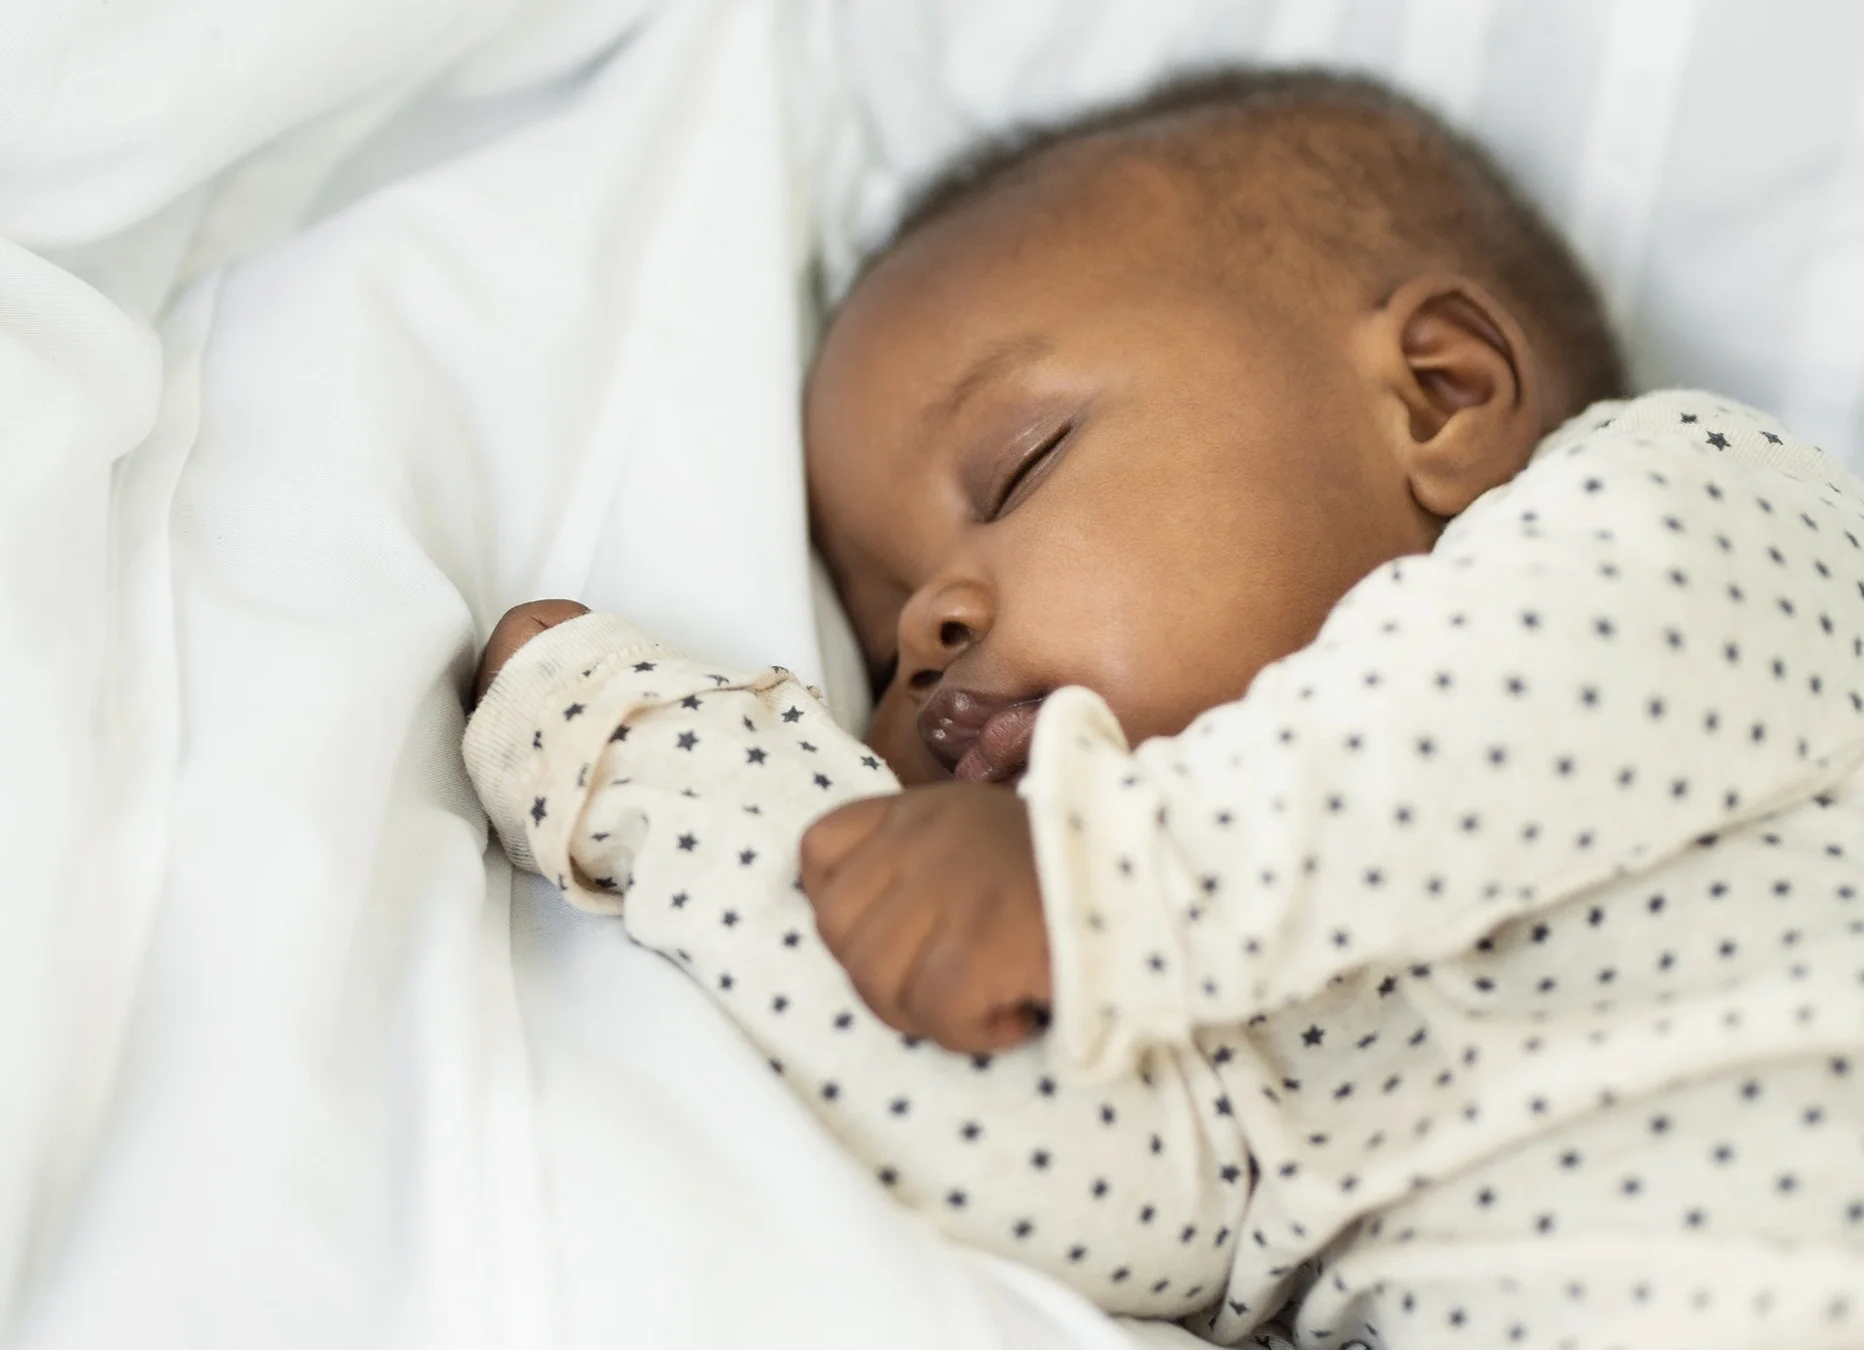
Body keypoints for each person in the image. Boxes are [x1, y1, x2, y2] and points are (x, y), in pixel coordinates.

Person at [463, 68, 1864, 1348]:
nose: (921, 634)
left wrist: (1112, 872)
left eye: (1017, 468)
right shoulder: (1205, 999)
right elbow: (1039, 1148)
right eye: (882, 645)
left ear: (1438, 396)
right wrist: (647, 757)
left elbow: (1533, 690)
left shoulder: (1702, 505)